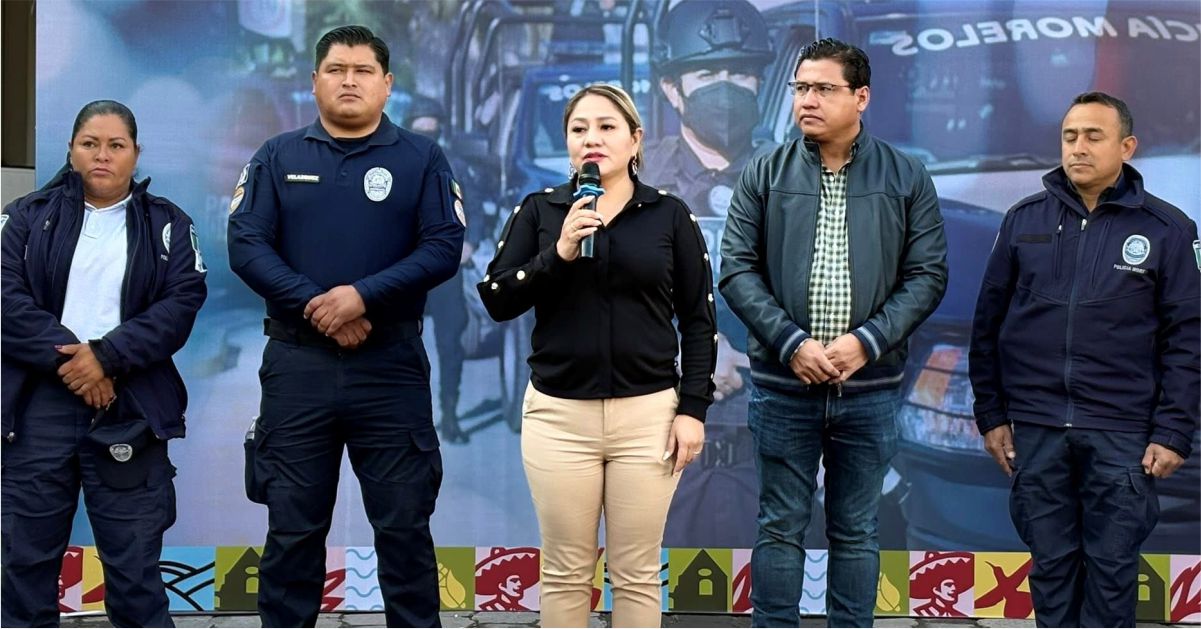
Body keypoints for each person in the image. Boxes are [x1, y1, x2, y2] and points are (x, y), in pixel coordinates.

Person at [227, 25, 464, 628]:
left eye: (363, 71)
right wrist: (318, 305)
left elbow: (443, 247)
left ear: (387, 84)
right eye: (336, 70)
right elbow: (246, 245)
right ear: (315, 82)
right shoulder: (277, 156)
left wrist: (361, 298)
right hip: (298, 369)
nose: (349, 81)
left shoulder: (421, 159)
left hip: (390, 368)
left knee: (405, 529)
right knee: (293, 530)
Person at [720, 38, 948, 627]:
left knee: (857, 529)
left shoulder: (905, 174)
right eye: (800, 88)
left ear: (861, 97)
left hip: (869, 389)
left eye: (823, 88)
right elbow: (736, 269)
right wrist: (791, 344)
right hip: (783, 384)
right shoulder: (765, 171)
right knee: (779, 525)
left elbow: (927, 276)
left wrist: (865, 342)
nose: (807, 101)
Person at [477, 83, 715, 628]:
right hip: (559, 418)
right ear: (567, 143)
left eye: (607, 127)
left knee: (636, 573)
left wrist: (693, 410)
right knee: (565, 572)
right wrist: (557, 253)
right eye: (579, 128)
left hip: (648, 419)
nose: (592, 139)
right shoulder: (540, 210)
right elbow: (496, 299)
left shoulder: (669, 215)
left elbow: (699, 321)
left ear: (635, 140)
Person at [969, 91, 1200, 627]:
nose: (1078, 147)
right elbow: (988, 326)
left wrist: (1173, 431)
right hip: (1037, 429)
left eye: (1094, 136)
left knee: (1111, 572)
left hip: (1122, 433)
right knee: (1051, 570)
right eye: (1070, 136)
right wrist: (992, 415)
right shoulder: (1023, 220)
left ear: (1127, 147)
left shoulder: (1168, 229)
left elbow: (1188, 340)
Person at [1, 100, 208, 627]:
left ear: (136, 154)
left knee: (135, 574)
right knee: (24, 566)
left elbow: (181, 304)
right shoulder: (25, 217)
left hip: (128, 405)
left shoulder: (168, 224)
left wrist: (107, 358)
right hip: (37, 409)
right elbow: (6, 298)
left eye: (116, 145)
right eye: (90, 143)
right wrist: (76, 365)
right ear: (71, 150)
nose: (102, 155)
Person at [641, 0, 776, 549]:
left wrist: (755, 355)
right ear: (672, 88)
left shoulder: (796, 178)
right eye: (707, 74)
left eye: (741, 73)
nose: (727, 87)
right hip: (660, 456)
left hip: (769, 456)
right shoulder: (631, 183)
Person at [404, 95, 487, 444]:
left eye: (432, 129)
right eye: (420, 129)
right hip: (404, 270)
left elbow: (476, 210)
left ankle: (449, 416)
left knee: (450, 344)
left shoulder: (455, 166)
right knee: (402, 348)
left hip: (444, 268)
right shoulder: (391, 165)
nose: (427, 135)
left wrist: (471, 243)